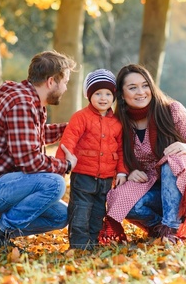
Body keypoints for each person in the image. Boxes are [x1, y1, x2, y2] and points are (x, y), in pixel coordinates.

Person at [0, 50, 78, 252]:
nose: (65, 88)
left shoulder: (30, 102)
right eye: (64, 81)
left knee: (61, 216)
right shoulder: (21, 103)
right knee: (55, 184)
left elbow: (32, 137)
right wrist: (66, 165)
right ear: (50, 82)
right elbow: (30, 162)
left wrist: (73, 128)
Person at [98, 64, 186, 244]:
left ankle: (171, 229)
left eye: (145, 85)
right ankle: (159, 228)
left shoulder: (171, 111)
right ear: (121, 95)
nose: (141, 92)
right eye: (133, 88)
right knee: (121, 201)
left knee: (173, 160)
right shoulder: (118, 123)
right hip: (150, 184)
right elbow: (112, 160)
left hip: (183, 181)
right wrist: (128, 171)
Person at [55, 69, 128, 250]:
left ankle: (93, 242)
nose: (103, 98)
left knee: (98, 212)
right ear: (89, 96)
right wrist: (61, 165)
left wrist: (121, 171)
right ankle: (79, 245)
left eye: (108, 94)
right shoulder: (81, 117)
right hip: (83, 175)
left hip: (105, 178)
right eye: (97, 93)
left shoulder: (117, 122)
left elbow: (121, 149)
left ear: (114, 96)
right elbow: (68, 140)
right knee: (80, 210)